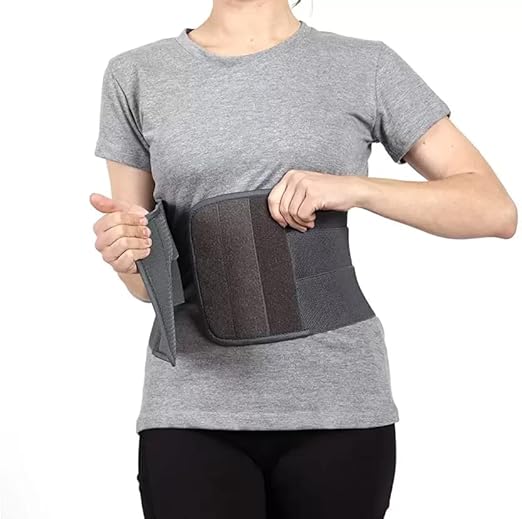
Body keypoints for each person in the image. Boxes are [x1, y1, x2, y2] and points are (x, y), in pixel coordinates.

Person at [90, 1, 518, 518]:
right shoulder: (136, 74)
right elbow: (148, 282)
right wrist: (126, 259)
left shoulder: (365, 66)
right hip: (191, 407)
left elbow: (493, 210)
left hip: (337, 406)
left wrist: (357, 189)